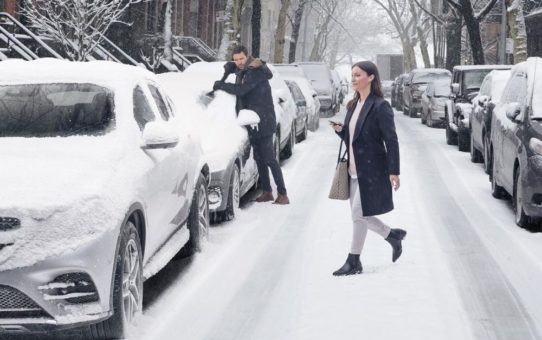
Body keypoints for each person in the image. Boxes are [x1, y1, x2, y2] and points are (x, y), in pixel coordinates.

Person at [330, 61, 406, 276]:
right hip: (354, 169)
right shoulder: (352, 106)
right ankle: (393, 236)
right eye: (352, 75)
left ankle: (354, 261)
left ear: (371, 77)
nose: (353, 79)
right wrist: (341, 131)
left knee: (358, 214)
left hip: (373, 170)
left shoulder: (381, 106)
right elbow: (353, 138)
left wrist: (394, 171)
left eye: (358, 75)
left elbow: (391, 141)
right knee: (361, 216)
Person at [213, 45, 290, 205]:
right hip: (253, 121)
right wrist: (231, 67)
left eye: (241, 58)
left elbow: (242, 90)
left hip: (264, 121)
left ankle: (283, 194)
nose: (239, 62)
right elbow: (241, 71)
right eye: (235, 60)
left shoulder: (255, 71)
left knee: (269, 159)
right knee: (259, 158)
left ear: (247, 56)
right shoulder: (247, 68)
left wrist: (221, 85)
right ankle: (267, 191)